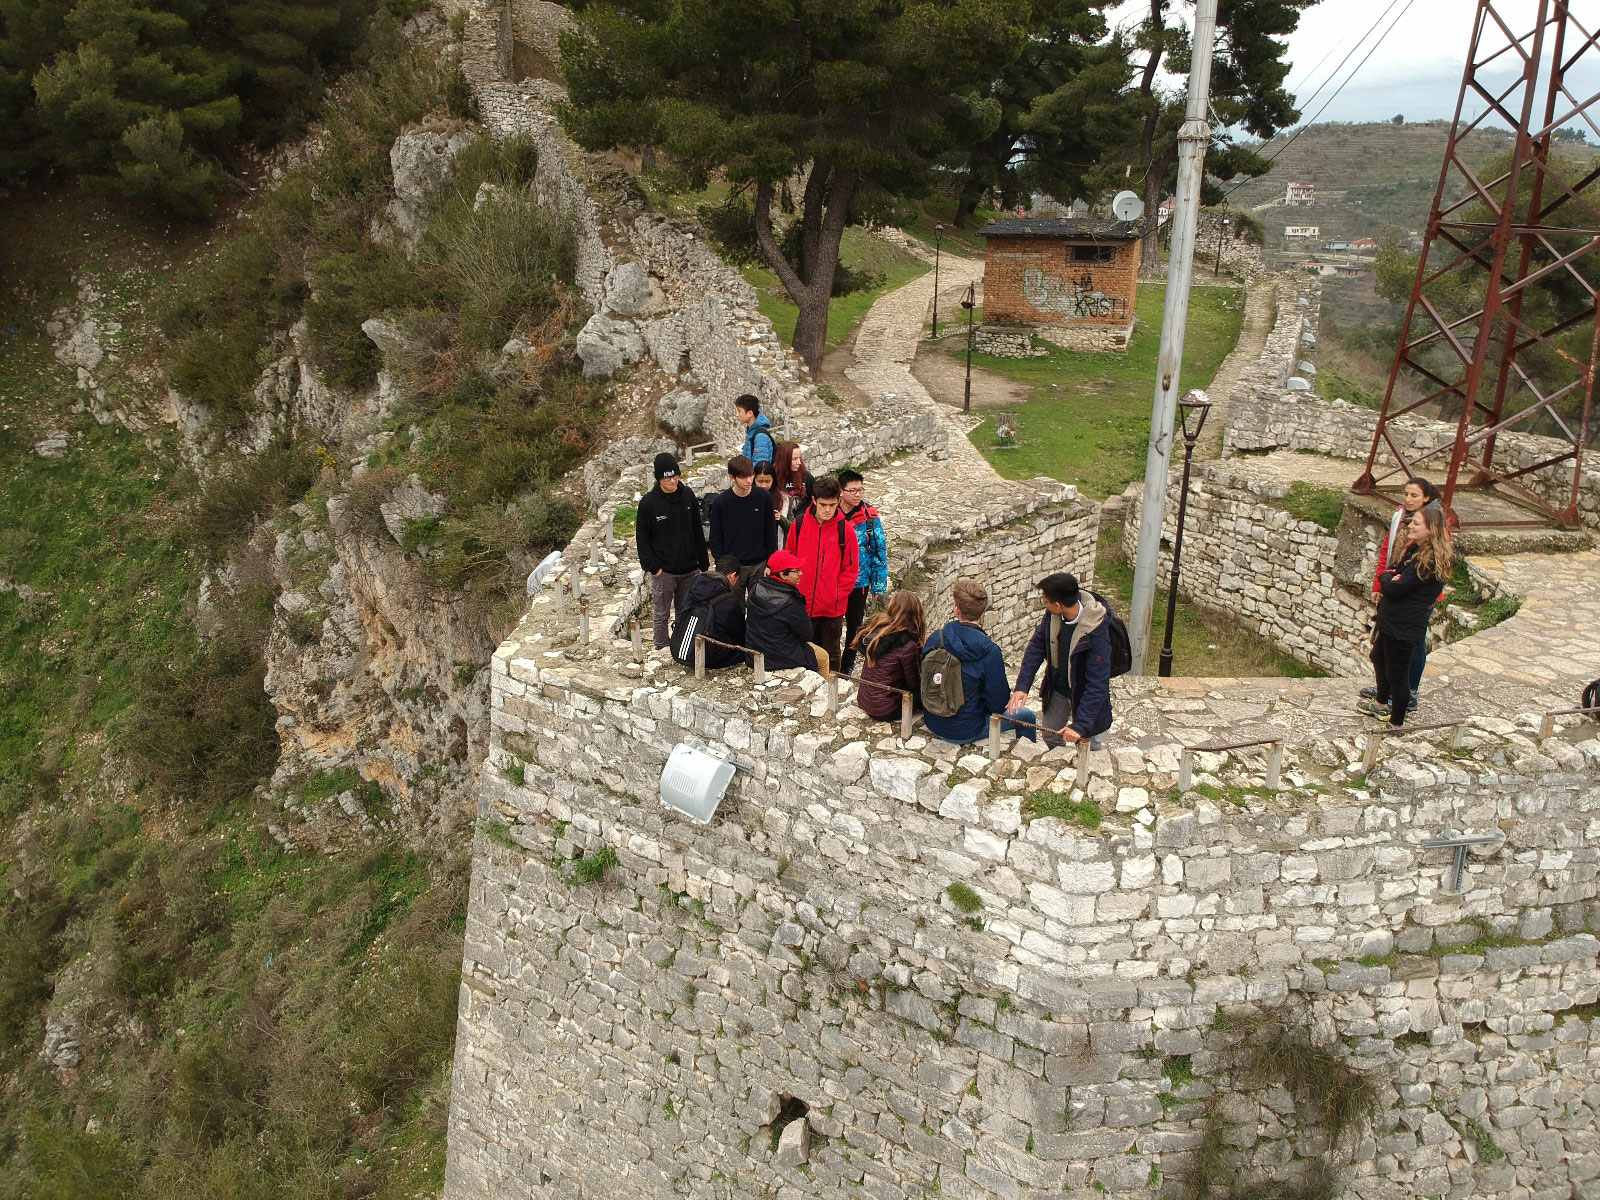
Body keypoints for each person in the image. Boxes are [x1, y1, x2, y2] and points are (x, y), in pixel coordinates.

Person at [1360, 505, 1453, 727]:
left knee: (1397, 675)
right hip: (1391, 619)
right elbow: (1392, 572)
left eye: (1416, 523)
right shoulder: (1415, 551)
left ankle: (1396, 723)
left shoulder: (1429, 563)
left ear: (1430, 530)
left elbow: (1393, 588)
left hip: (1404, 626)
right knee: (1378, 659)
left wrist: (1389, 579)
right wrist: (1390, 577)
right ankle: (1381, 705)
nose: (1409, 525)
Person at [922, 579, 1037, 746]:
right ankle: (1027, 749)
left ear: (956, 609)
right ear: (983, 612)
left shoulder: (937, 637)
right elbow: (998, 704)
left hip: (932, 720)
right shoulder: (990, 652)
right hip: (966, 730)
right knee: (1028, 717)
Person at [1008, 573, 1113, 749]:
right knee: (1051, 734)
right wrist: (1022, 686)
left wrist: (1080, 726)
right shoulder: (1052, 616)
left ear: (1058, 605)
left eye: (1045, 602)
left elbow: (1097, 684)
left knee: (1090, 745)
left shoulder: (1097, 631)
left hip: (1085, 692)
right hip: (1059, 688)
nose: (1044, 606)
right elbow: (1036, 647)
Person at [784, 476, 859, 671]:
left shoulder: (846, 531)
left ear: (838, 501)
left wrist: (834, 595)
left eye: (832, 505)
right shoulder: (799, 525)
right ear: (814, 500)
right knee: (805, 649)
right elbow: (790, 558)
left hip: (832, 608)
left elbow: (850, 571)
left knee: (832, 653)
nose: (828, 510)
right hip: (803, 603)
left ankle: (833, 691)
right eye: (823, 504)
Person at [635, 452, 709, 649]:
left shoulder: (688, 496)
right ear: (659, 478)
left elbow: (697, 530)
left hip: (689, 568)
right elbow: (642, 539)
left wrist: (703, 562)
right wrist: (653, 567)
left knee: (686, 611)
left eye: (675, 476)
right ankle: (660, 647)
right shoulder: (648, 504)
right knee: (661, 613)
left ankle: (680, 646)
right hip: (664, 571)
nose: (672, 481)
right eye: (667, 477)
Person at [837, 469, 889, 676]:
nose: (858, 494)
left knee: (854, 624)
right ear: (841, 492)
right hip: (835, 579)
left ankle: (847, 663)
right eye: (853, 490)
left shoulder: (870, 516)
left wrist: (879, 583)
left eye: (860, 490)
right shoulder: (832, 512)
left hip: (860, 581)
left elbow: (879, 549)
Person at [745, 550, 828, 674]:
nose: (801, 573)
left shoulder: (756, 588)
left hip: (754, 651)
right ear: (783, 575)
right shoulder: (791, 602)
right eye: (796, 571)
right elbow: (806, 634)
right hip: (779, 656)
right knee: (824, 657)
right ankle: (823, 692)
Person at [708, 454, 779, 598]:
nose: (749, 480)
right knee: (734, 611)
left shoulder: (763, 497)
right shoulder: (721, 503)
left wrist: (771, 562)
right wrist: (723, 568)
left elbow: (770, 531)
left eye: (751, 475)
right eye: (743, 477)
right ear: (732, 477)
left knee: (760, 607)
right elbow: (715, 538)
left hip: (760, 564)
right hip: (733, 567)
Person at [851, 591, 925, 720]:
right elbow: (914, 683)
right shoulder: (907, 644)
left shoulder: (876, 629)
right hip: (887, 709)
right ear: (915, 613)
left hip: (864, 699)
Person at [672, 555, 746, 669]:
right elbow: (739, 633)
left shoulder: (694, 587)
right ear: (733, 575)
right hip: (708, 658)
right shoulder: (729, 601)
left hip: (678, 651)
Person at [771, 441, 814, 534]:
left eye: (799, 458)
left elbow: (814, 502)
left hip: (802, 526)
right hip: (777, 527)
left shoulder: (807, 478)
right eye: (794, 459)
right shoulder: (773, 477)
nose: (799, 462)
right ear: (784, 459)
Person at [735, 393, 775, 466]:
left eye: (739, 411)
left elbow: (760, 469)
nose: (737, 414)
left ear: (750, 413)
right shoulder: (752, 432)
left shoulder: (760, 437)